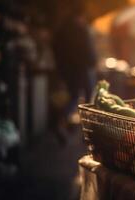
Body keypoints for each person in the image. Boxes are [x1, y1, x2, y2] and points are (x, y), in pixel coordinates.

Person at [53, 3, 97, 141]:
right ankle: (90, 130)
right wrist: (93, 62)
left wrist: (61, 66)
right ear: (81, 14)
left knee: (74, 96)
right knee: (90, 98)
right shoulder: (81, 29)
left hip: (68, 69)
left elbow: (55, 47)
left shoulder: (63, 28)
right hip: (82, 68)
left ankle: (62, 121)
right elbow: (89, 51)